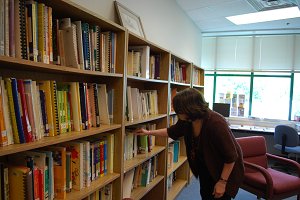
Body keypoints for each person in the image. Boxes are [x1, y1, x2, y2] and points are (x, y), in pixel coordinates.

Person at [134, 88, 244, 199]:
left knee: (220, 197)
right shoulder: (188, 120)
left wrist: (222, 182)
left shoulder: (216, 123)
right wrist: (148, 132)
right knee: (206, 195)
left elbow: (231, 157)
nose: (176, 112)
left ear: (189, 109)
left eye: (178, 110)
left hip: (223, 171)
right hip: (206, 166)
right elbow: (172, 131)